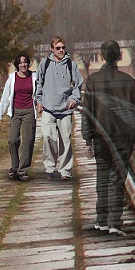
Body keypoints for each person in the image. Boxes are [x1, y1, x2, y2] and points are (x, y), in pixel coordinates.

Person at [81, 40, 135, 234]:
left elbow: (87, 112)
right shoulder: (128, 81)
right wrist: (133, 137)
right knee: (117, 180)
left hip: (100, 138)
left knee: (102, 176)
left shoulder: (92, 81)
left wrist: (87, 138)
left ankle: (102, 219)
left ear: (101, 56)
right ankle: (115, 221)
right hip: (122, 138)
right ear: (118, 56)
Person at [35, 37, 84, 181]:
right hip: (48, 108)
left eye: (63, 47)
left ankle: (65, 170)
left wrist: (74, 99)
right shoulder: (45, 64)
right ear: (52, 49)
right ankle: (50, 168)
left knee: (66, 140)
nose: (61, 50)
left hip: (65, 109)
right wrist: (38, 101)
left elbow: (78, 84)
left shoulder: (71, 65)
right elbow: (38, 84)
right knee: (48, 138)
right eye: (58, 48)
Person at [0, 53, 37, 181]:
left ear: (28, 64)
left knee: (28, 141)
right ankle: (14, 167)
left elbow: (40, 93)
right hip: (15, 112)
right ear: (17, 65)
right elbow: (5, 97)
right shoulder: (12, 78)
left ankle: (23, 170)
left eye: (25, 62)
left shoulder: (34, 77)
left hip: (29, 111)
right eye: (20, 63)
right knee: (13, 140)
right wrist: (0, 115)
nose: (23, 65)